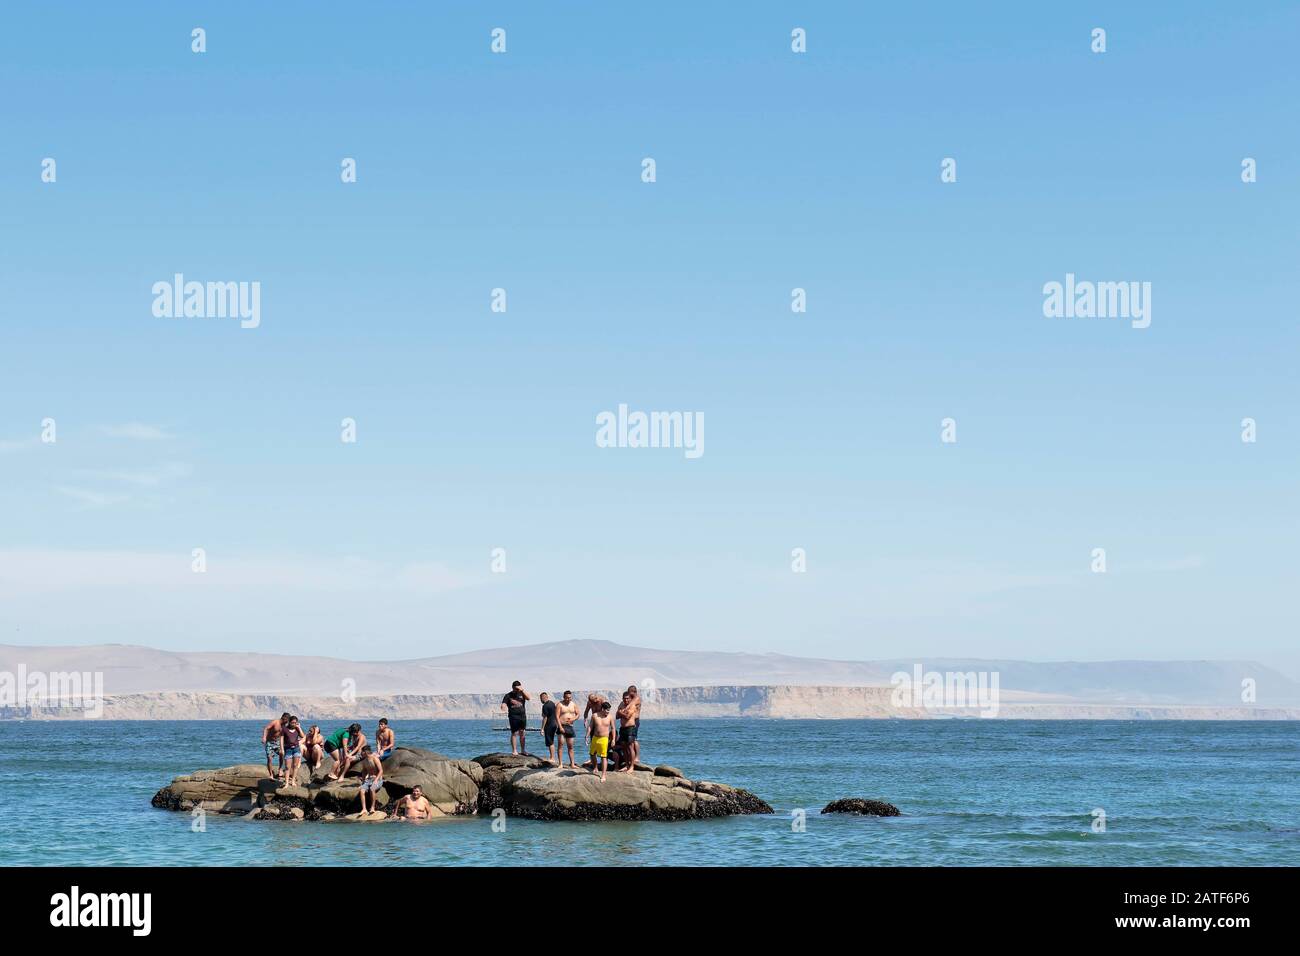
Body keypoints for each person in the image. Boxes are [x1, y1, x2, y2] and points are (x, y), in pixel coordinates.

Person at [500, 681, 531, 756]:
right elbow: (504, 703)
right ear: (513, 687)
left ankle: (523, 750)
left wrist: (522, 690)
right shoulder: (508, 695)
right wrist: (503, 706)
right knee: (514, 733)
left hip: (522, 716)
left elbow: (529, 698)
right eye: (516, 688)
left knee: (522, 732)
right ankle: (514, 750)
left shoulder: (522, 693)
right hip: (513, 717)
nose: (518, 690)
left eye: (519, 688)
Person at [588, 701, 614, 782]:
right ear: (602, 709)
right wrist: (587, 735)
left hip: (604, 739)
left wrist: (613, 739)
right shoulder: (595, 716)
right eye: (607, 710)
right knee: (592, 754)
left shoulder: (610, 717)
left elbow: (613, 728)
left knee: (603, 757)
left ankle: (603, 775)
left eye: (609, 710)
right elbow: (590, 726)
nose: (608, 712)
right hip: (595, 738)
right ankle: (595, 767)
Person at [616, 689, 641, 773]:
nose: (626, 700)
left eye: (627, 698)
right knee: (624, 748)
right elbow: (616, 716)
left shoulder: (632, 706)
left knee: (630, 747)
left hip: (630, 729)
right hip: (622, 729)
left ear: (630, 699)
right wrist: (621, 712)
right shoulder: (622, 705)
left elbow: (627, 716)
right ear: (622, 699)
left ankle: (632, 766)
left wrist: (620, 712)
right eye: (624, 698)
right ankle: (627, 765)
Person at [261, 712, 290, 780]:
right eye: (287, 720)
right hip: (269, 742)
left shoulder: (284, 726)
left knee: (282, 753)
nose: (287, 722)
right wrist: (264, 737)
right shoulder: (275, 722)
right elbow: (266, 728)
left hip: (277, 742)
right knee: (270, 758)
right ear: (284, 718)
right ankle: (271, 774)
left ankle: (280, 769)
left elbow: (286, 734)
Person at [356, 746, 384, 814]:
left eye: (362, 752)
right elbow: (364, 771)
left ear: (365, 752)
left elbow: (381, 771)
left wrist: (376, 780)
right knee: (362, 790)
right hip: (368, 780)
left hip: (378, 779)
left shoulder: (375, 758)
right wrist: (363, 782)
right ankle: (364, 809)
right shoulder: (364, 760)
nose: (361, 753)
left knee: (372, 789)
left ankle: (372, 807)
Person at [556, 690, 580, 769]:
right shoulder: (560, 704)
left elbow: (578, 714)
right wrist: (560, 727)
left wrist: (573, 719)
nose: (568, 699)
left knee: (570, 746)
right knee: (560, 745)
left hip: (570, 727)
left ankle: (572, 764)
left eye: (569, 698)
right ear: (563, 697)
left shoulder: (573, 704)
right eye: (566, 698)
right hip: (562, 726)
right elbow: (557, 717)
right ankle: (560, 764)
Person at [281, 715, 304, 784]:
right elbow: (281, 739)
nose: (293, 724)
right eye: (292, 722)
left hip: (296, 749)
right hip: (288, 750)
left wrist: (299, 727)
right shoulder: (284, 729)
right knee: (287, 767)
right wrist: (282, 749)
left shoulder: (297, 729)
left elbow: (303, 736)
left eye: (295, 723)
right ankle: (287, 783)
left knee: (295, 766)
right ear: (289, 722)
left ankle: (293, 781)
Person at [539, 692, 560, 766]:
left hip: (549, 725)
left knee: (550, 742)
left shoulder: (545, 706)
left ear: (543, 698)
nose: (540, 700)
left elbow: (545, 718)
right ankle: (552, 757)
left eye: (540, 698)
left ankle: (552, 758)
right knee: (552, 741)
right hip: (554, 724)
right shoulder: (552, 703)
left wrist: (542, 728)